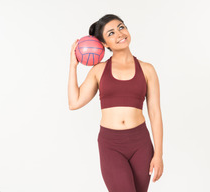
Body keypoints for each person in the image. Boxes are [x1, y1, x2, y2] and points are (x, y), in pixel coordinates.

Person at [68, 14, 163, 192]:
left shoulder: (147, 69)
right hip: (111, 145)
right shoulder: (99, 70)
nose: (120, 34)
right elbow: (74, 102)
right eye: (111, 33)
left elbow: (155, 113)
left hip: (141, 143)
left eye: (121, 27)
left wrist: (159, 154)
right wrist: (73, 67)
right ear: (104, 44)